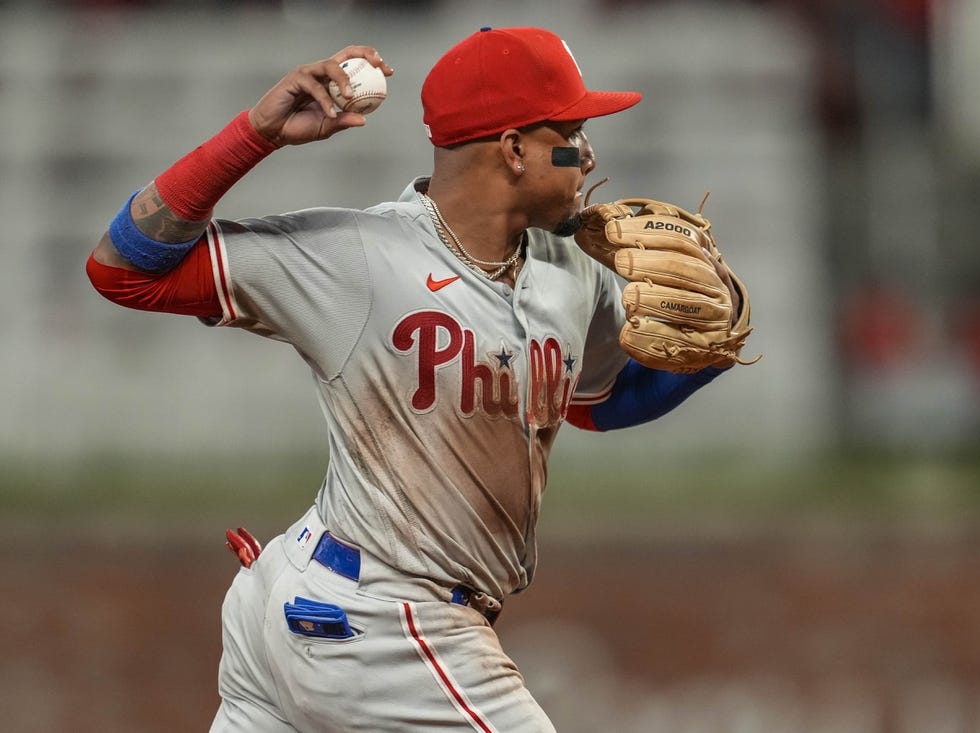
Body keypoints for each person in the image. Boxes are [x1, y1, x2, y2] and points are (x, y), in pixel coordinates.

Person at [87, 26, 742, 732]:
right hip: (381, 618)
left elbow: (600, 403)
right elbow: (122, 269)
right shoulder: (359, 258)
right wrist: (256, 135)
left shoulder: (570, 270)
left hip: (327, 608)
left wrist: (712, 351)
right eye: (573, 131)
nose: (588, 153)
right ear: (514, 148)